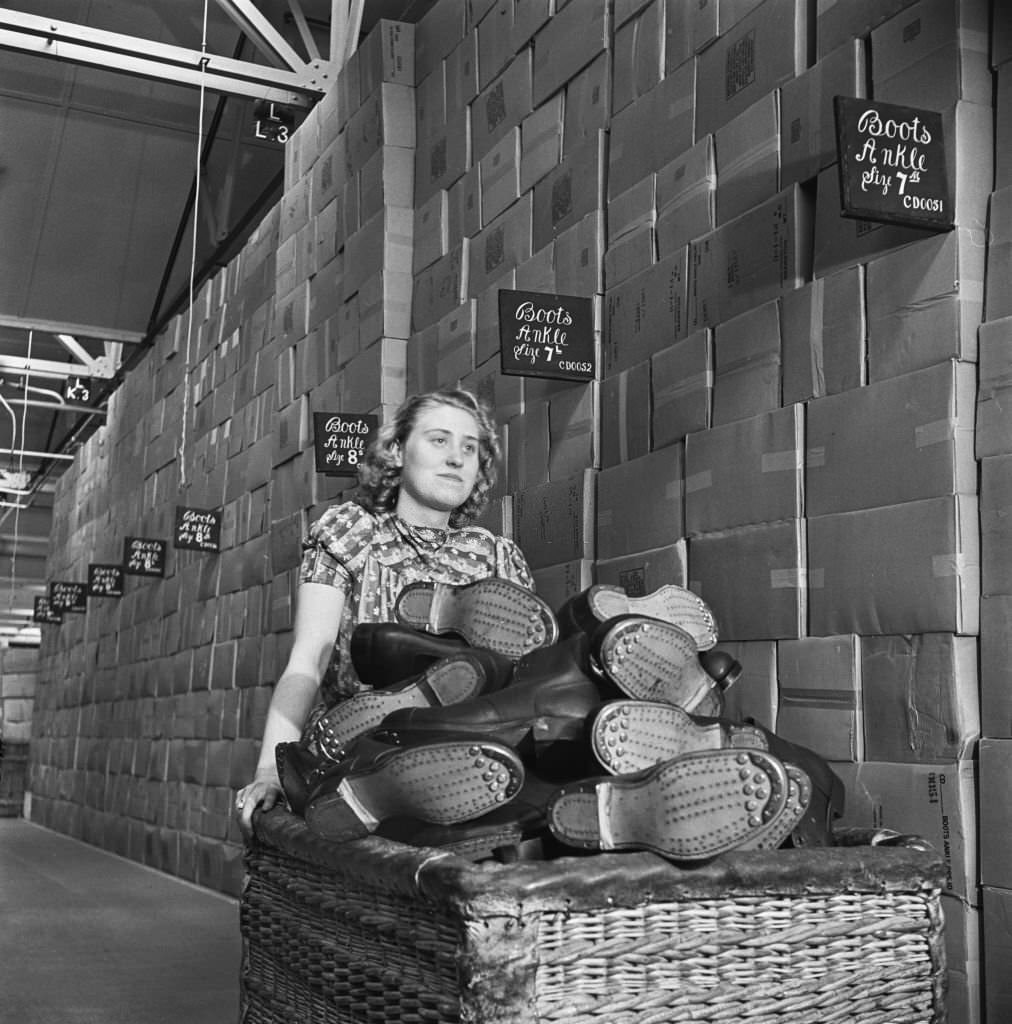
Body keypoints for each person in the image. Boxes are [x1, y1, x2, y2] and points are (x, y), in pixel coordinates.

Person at [235, 388, 536, 838]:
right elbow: (310, 656)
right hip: (352, 734)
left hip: (466, 744)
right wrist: (270, 770)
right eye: (439, 440)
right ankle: (377, 776)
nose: (456, 457)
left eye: (469, 448)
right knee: (380, 746)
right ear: (397, 450)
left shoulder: (497, 557)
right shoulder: (352, 531)